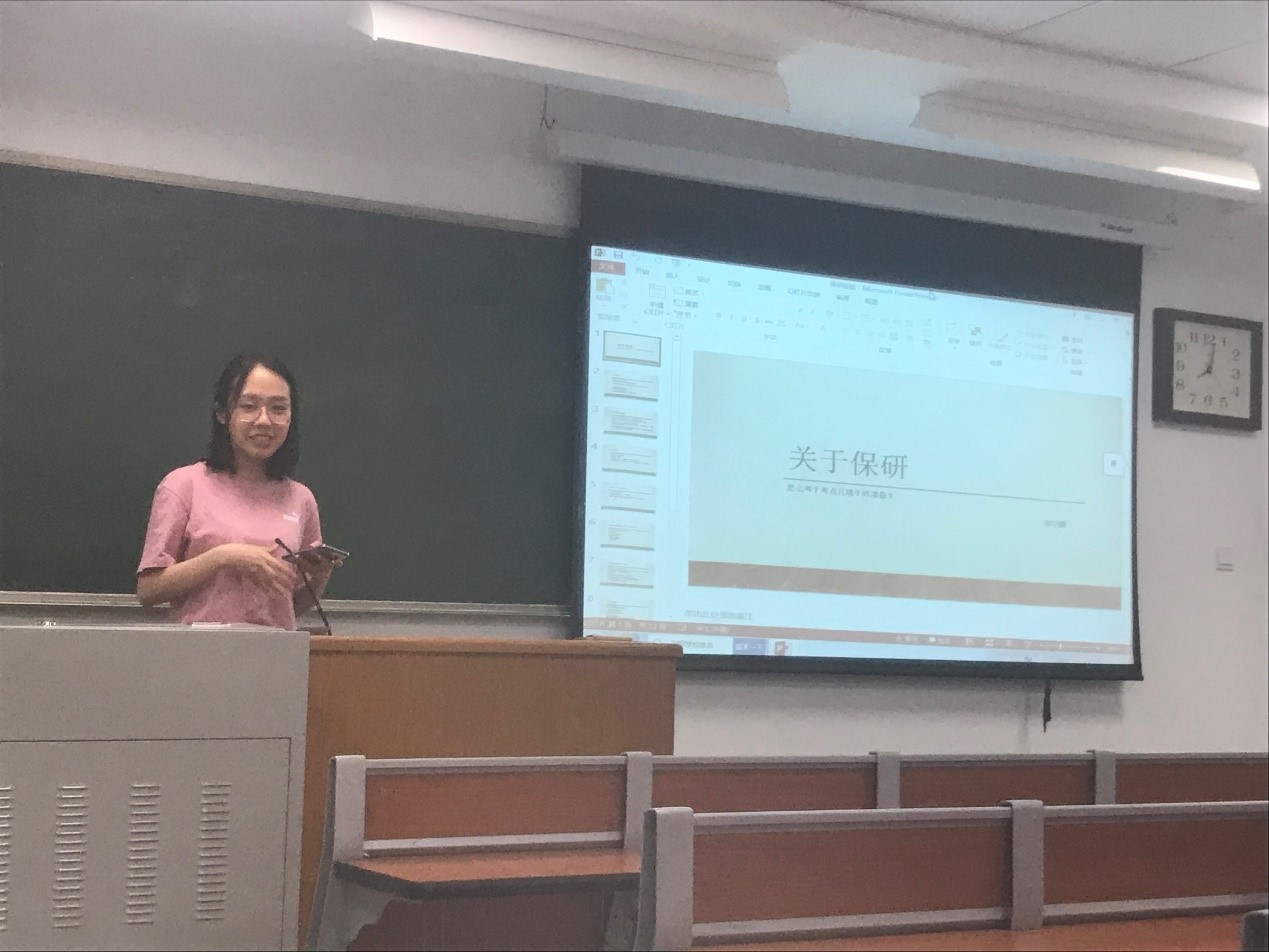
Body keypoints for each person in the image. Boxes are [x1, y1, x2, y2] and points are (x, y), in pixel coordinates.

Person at [137, 353, 339, 629]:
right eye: (249, 406)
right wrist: (224, 557)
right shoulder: (183, 485)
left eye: (278, 408)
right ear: (222, 414)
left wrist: (320, 577)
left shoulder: (301, 499)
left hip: (275, 650)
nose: (264, 420)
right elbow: (148, 590)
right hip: (199, 651)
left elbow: (288, 607)